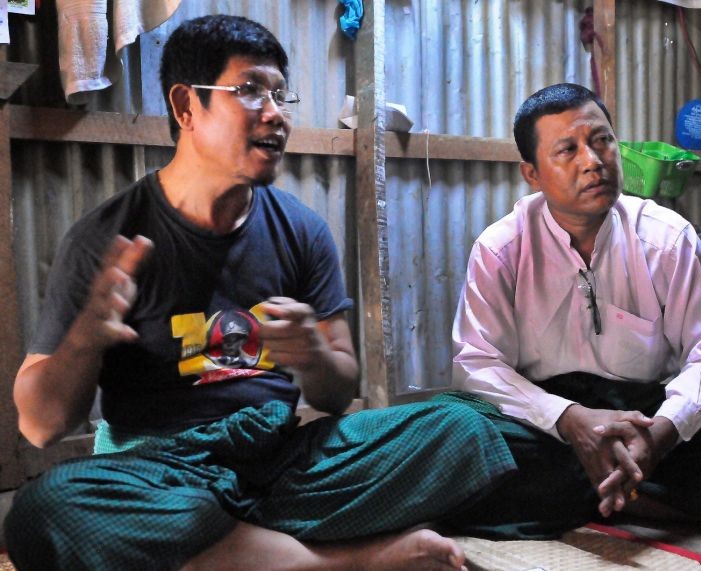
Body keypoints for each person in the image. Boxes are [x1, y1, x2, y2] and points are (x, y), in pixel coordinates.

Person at [4, 15, 519, 570]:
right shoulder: (107, 237)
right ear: (186, 107)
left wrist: (315, 355)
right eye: (249, 90)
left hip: (279, 459)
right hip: (164, 472)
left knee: (465, 424)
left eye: (280, 93)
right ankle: (343, 561)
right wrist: (85, 338)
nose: (276, 113)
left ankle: (233, 552)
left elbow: (337, 392)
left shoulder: (301, 229)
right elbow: (40, 425)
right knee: (45, 511)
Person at [448, 83, 701, 531]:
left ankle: (605, 490)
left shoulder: (666, 237)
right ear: (533, 174)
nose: (593, 161)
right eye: (567, 150)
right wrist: (568, 418)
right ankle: (653, 501)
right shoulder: (501, 248)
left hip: (647, 415)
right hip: (548, 424)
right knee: (456, 426)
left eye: (602, 140)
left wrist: (660, 434)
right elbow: (477, 364)